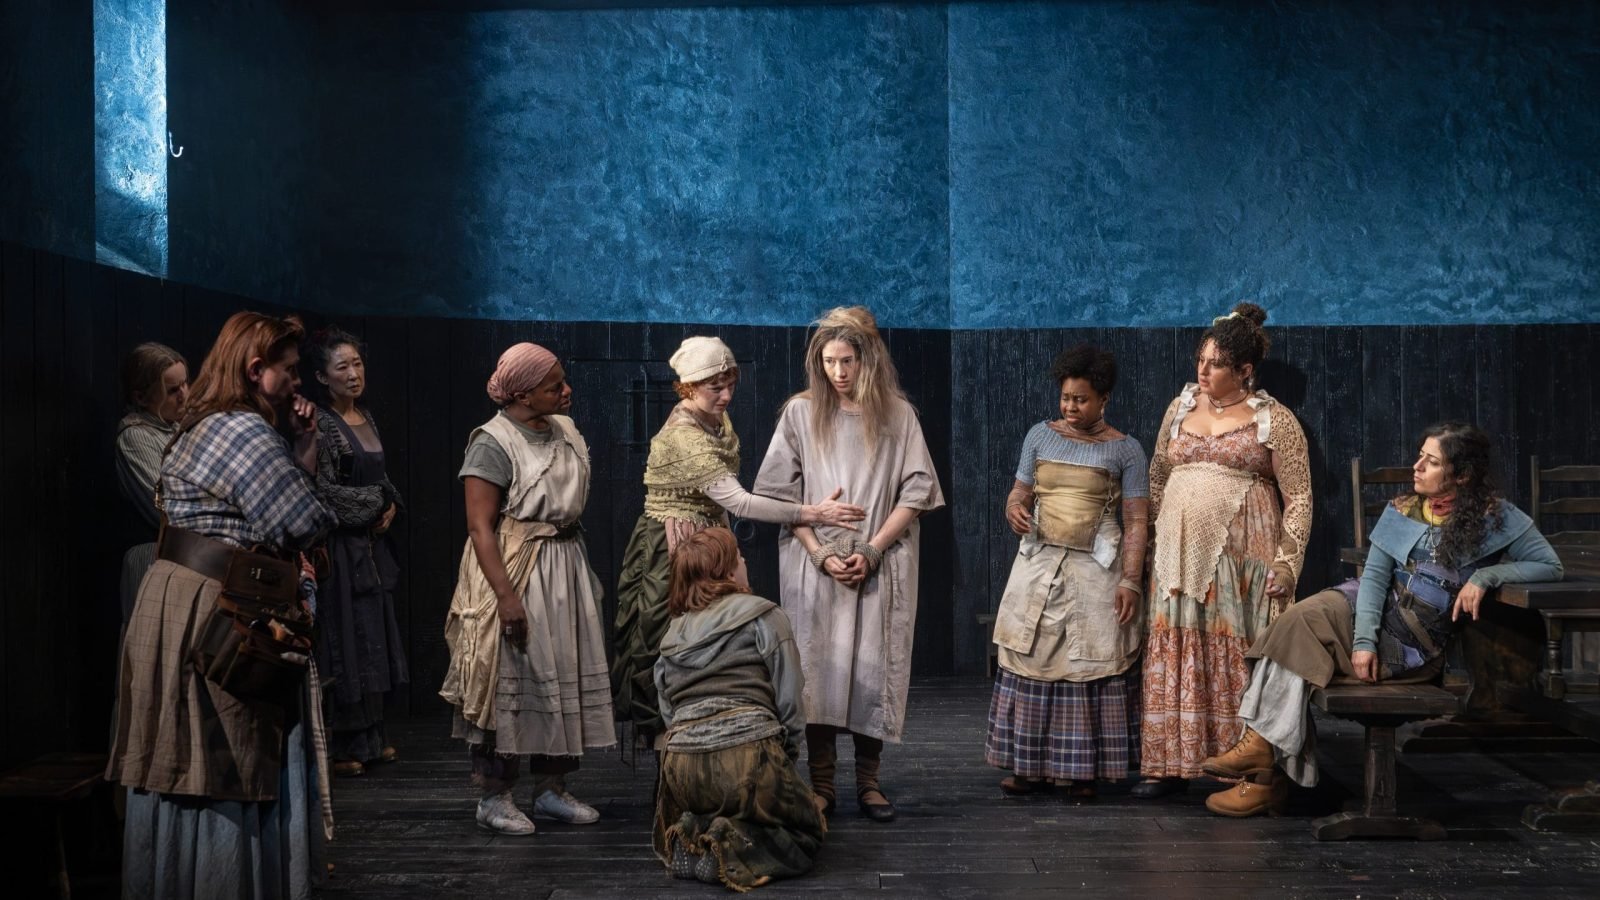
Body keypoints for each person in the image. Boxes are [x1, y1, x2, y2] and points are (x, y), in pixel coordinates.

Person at [1201, 422, 1564, 816]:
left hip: (1410, 643)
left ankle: (1263, 771)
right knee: (1295, 621)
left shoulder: (1497, 517)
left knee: (1292, 641)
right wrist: (1363, 642)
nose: (1417, 467)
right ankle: (1261, 754)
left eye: (1431, 461)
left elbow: (1550, 565)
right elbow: (1374, 578)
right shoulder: (1403, 509)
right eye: (1420, 456)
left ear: (1461, 474)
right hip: (1368, 611)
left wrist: (1486, 576)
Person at [107, 312, 336, 899]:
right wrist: (305, 450)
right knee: (222, 758)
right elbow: (302, 521)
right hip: (218, 609)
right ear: (256, 370)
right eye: (289, 371)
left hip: (175, 598)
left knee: (182, 756)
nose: (297, 383)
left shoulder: (200, 421)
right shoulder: (243, 430)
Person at [614, 336, 864, 746]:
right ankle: (670, 749)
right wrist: (813, 513)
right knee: (666, 635)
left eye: (731, 385)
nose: (727, 395)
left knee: (717, 637)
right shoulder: (683, 437)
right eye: (716, 387)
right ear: (689, 387)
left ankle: (716, 732)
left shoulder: (714, 418)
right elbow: (740, 501)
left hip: (709, 538)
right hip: (673, 543)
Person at [754, 306, 945, 823]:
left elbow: (917, 492)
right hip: (814, 562)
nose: (838, 372)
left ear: (868, 360)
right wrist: (818, 552)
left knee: (871, 669)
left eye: (847, 361)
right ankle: (821, 785)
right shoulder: (801, 413)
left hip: (878, 560)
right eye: (829, 361)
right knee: (819, 670)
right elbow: (779, 494)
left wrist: (873, 549)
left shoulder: (897, 414)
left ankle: (868, 782)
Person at [439, 342, 616, 835]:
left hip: (564, 562)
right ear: (521, 395)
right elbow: (480, 527)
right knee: (508, 676)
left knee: (562, 671)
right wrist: (506, 596)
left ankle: (551, 788)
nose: (566, 391)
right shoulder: (492, 442)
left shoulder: (565, 429)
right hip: (516, 564)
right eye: (554, 387)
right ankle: (494, 796)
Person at [1137, 302, 1312, 798]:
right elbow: (1157, 475)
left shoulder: (1274, 420)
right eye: (1201, 360)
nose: (1203, 370)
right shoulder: (1180, 408)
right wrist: (1155, 539)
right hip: (1176, 556)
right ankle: (1171, 763)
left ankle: (1243, 766)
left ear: (1244, 370)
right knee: (1177, 642)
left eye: (1215, 364)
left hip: (1241, 560)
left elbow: (1299, 496)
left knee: (1232, 647)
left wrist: (1288, 563)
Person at [985, 345, 1149, 799]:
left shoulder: (1126, 450)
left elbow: (1137, 520)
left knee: (1086, 663)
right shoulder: (1039, 436)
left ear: (1104, 399)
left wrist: (1131, 580)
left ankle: (1081, 772)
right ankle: (1028, 767)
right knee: (1031, 658)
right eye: (1065, 398)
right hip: (1039, 563)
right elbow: (1019, 492)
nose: (1071, 407)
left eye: (1081, 399)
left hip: (1096, 568)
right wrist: (1014, 509)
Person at [653, 527, 826, 890]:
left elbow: (668, 709)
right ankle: (730, 847)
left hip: (681, 769)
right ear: (728, 572)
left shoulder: (673, 633)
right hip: (748, 758)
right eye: (738, 556)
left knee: (722, 801)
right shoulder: (764, 615)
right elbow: (790, 698)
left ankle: (695, 830)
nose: (744, 560)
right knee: (806, 829)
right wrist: (784, 759)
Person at [307, 327, 408, 777]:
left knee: (373, 635)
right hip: (341, 547)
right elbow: (322, 489)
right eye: (342, 367)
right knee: (345, 638)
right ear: (321, 376)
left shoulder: (365, 416)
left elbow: (381, 479)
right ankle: (343, 744)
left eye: (358, 364)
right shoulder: (322, 423)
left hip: (371, 547)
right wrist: (374, 504)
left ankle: (372, 737)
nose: (353, 374)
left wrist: (390, 505)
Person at [114, 342, 189, 623]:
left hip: (186, 558)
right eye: (172, 390)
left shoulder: (180, 428)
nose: (184, 395)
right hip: (154, 559)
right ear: (141, 397)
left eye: (185, 384)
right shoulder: (136, 437)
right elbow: (169, 507)